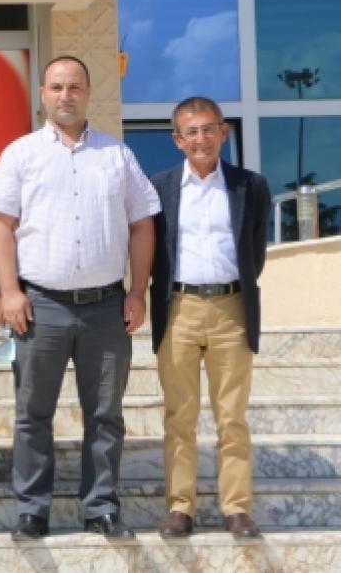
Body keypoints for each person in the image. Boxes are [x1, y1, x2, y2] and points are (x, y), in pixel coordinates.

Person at [0, 55, 160, 540]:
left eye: (75, 86)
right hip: (40, 306)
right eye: (57, 87)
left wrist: (137, 290)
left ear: (88, 92)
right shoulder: (20, 154)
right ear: (43, 93)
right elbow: (1, 226)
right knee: (32, 413)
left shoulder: (117, 155)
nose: (66, 95)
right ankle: (32, 510)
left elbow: (142, 224)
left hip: (106, 307)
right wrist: (9, 291)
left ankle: (100, 507)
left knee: (105, 414)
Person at [149, 96, 271, 539]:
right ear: (178, 139)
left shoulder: (250, 185)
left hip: (231, 308)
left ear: (223, 132)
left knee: (231, 416)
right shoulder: (159, 187)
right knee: (179, 416)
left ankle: (236, 508)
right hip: (178, 309)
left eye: (208, 129)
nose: (201, 139)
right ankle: (180, 508)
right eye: (191, 131)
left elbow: (254, 251)